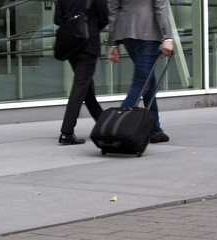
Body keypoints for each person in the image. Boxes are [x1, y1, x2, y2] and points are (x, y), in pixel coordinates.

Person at [108, 0, 174, 143]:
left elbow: (113, 11)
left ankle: (155, 130)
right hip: (147, 35)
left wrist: (113, 43)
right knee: (141, 83)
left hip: (126, 35)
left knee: (150, 82)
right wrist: (167, 37)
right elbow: (160, 7)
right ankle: (116, 128)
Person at [54, 0, 109, 144]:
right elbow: (104, 18)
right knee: (80, 87)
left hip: (72, 46)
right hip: (88, 44)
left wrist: (73, 26)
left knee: (85, 87)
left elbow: (57, 19)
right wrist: (89, 27)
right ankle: (66, 132)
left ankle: (103, 125)